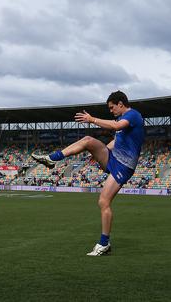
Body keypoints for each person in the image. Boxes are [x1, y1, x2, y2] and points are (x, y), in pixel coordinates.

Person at [31, 91, 144, 256]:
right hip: (113, 158)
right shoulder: (123, 118)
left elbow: (115, 126)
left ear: (121, 104)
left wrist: (92, 120)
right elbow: (116, 140)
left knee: (104, 202)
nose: (111, 111)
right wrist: (99, 153)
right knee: (88, 141)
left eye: (112, 108)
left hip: (124, 166)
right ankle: (52, 158)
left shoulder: (133, 115)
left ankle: (104, 244)